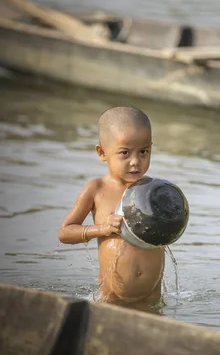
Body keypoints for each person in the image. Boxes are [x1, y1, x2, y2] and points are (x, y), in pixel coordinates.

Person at [58, 106, 164, 306]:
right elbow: (64, 232)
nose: (136, 162)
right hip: (111, 298)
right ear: (102, 152)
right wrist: (102, 229)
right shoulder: (96, 189)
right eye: (125, 153)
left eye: (144, 152)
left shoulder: (152, 190)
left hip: (152, 298)